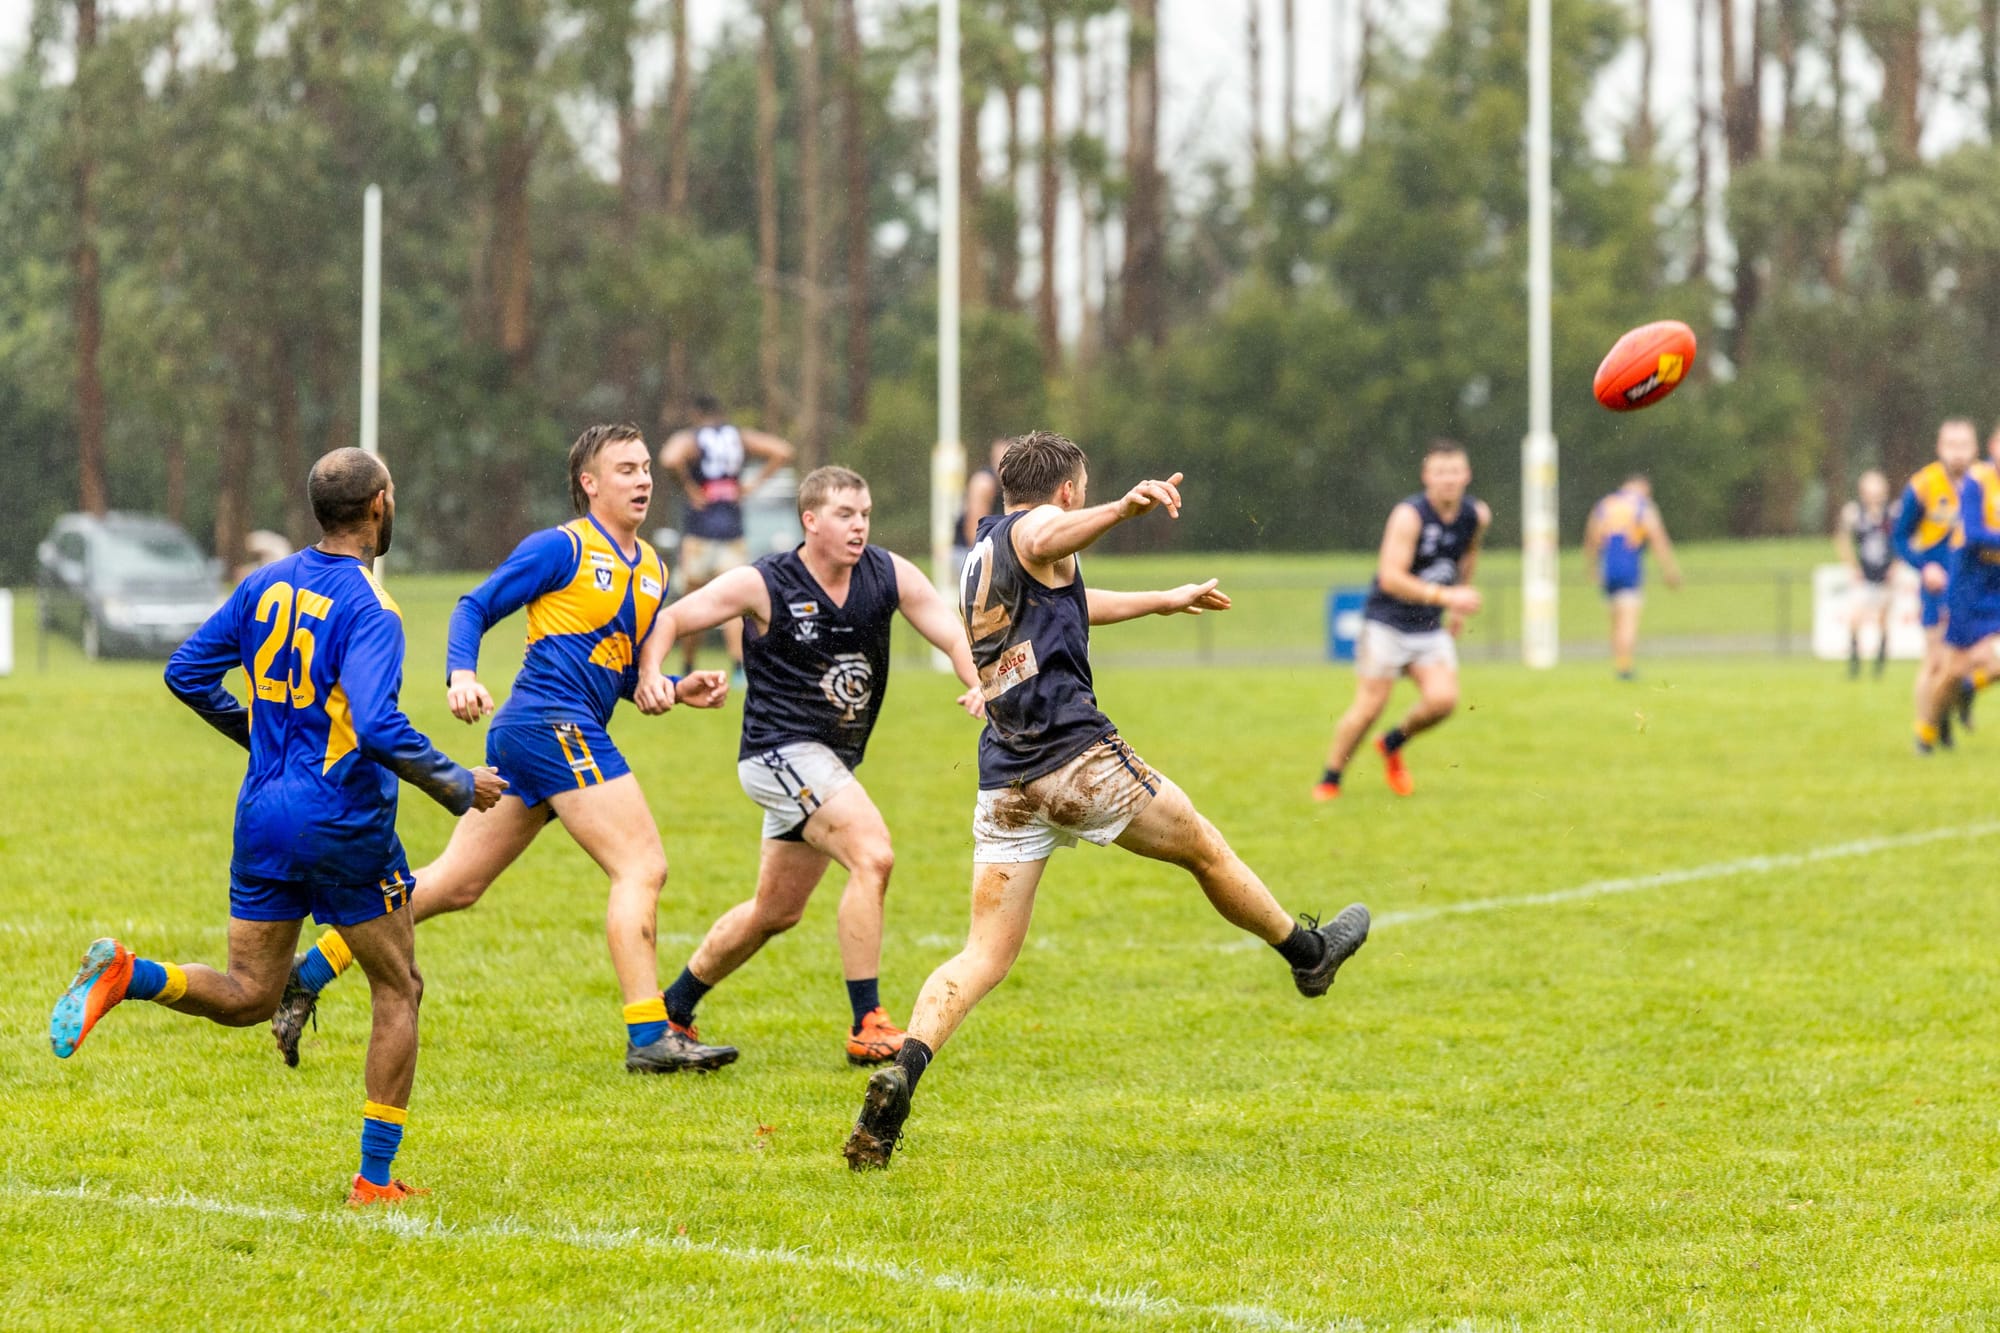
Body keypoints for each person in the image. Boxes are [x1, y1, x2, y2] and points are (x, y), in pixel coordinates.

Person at [843, 432, 1370, 1170]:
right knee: (1207, 850)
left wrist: (1164, 598)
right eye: (1084, 489)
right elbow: (1050, 533)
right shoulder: (1039, 529)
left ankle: (906, 1068)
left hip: (1007, 779)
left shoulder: (984, 550)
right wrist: (1124, 509)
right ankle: (1308, 954)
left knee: (983, 952)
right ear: (1066, 490)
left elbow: (1075, 598)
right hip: (1076, 762)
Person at [48, 447, 507, 1207]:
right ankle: (374, 1179)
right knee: (400, 986)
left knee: (251, 992)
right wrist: (460, 783)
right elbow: (378, 724)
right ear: (380, 505)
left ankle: (131, 974)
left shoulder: (263, 584)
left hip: (262, 813)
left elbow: (185, 671)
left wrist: (257, 737)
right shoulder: (371, 607)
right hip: (341, 818)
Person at [268, 424, 738, 1076]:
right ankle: (649, 1034)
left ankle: (308, 970)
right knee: (641, 864)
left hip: (542, 733)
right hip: (551, 723)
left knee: (454, 884)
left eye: (646, 467)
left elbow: (613, 668)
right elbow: (474, 605)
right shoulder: (562, 547)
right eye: (626, 469)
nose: (643, 480)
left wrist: (674, 687)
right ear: (590, 483)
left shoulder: (652, 570)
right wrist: (461, 672)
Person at [633, 466, 985, 1065]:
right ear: (810, 521)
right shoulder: (765, 582)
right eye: (846, 515)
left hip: (827, 762)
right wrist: (650, 676)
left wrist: (977, 683)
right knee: (872, 854)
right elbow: (670, 618)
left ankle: (673, 1008)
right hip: (778, 753)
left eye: (866, 514)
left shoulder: (887, 573)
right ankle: (867, 1022)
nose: (859, 526)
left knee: (775, 912)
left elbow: (950, 632)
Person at [1314, 441, 1489, 801]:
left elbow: (1468, 555)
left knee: (1443, 701)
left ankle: (1391, 743)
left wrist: (1458, 602)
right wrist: (1446, 596)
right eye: (1440, 472)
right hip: (1386, 623)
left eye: (1455, 471)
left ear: (1466, 474)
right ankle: (1330, 778)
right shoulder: (1409, 515)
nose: (1448, 479)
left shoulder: (1476, 515)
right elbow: (1390, 576)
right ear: (1427, 476)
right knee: (1368, 708)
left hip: (1428, 626)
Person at [659, 395, 795, 677]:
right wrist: (752, 484)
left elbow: (669, 457)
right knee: (735, 602)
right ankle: (737, 668)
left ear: (697, 414)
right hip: (732, 530)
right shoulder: (737, 437)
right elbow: (782, 450)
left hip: (699, 531)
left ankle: (687, 665)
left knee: (691, 601)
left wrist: (688, 487)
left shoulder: (694, 438)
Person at [1895, 420, 1976, 751]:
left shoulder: (1986, 483)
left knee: (1969, 665)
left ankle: (1950, 712)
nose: (1957, 452)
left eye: (1963, 444)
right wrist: (1923, 565)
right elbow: (1898, 536)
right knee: (1935, 661)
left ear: (1975, 447)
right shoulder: (1924, 485)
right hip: (1938, 590)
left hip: (1977, 591)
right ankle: (1925, 733)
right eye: (1950, 444)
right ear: (1939, 447)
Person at [1920, 421, 2000, 752]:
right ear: (1993, 447)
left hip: (1996, 583)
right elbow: (1973, 532)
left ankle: (1967, 691)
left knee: (1993, 663)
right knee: (1953, 669)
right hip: (1968, 584)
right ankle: (1926, 731)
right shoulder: (1977, 482)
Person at [1584, 475, 1682, 680]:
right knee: (1628, 621)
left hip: (1608, 569)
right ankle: (1625, 668)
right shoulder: (1642, 507)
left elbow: (1592, 537)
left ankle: (1620, 663)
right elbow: (1658, 539)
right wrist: (1670, 570)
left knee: (1615, 620)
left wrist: (1591, 567)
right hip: (1629, 569)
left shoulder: (1605, 505)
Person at [1836, 470, 1895, 679]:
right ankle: (1855, 663)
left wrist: (1894, 567)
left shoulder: (1892, 512)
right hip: (1865, 575)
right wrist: (1853, 567)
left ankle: (1879, 665)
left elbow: (1901, 541)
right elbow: (1842, 540)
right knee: (1856, 618)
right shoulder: (1854, 512)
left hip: (1885, 575)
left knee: (1882, 620)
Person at [952, 438, 1011, 571]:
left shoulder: (1012, 484)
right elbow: (974, 530)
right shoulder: (984, 483)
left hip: (992, 548)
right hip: (968, 550)